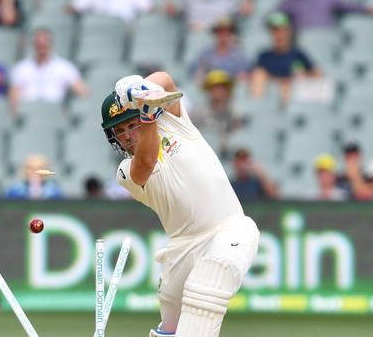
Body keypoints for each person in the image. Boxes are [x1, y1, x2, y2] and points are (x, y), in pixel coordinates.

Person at [101, 72, 259, 336]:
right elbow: (146, 163)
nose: (128, 135)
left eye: (132, 124)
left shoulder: (174, 121)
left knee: (207, 287)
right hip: (181, 248)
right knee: (170, 331)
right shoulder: (125, 171)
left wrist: (143, 87)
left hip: (230, 229)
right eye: (120, 130)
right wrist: (147, 115)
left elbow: (166, 80)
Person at [9, 28, 87, 110]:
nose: (42, 48)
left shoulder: (64, 67)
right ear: (34, 45)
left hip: (54, 110)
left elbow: (81, 90)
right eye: (39, 45)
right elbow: (14, 95)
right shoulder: (21, 68)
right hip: (28, 110)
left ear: (50, 44)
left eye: (44, 45)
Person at [250, 12, 320, 103]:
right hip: (271, 95)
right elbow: (255, 77)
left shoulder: (298, 54)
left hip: (295, 96)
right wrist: (280, 81)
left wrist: (299, 77)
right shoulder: (264, 56)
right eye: (275, 30)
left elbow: (317, 74)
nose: (279, 34)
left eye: (282, 30)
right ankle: (258, 107)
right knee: (258, 74)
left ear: (288, 31)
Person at [191, 70, 245, 156]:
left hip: (231, 154)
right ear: (209, 90)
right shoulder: (199, 111)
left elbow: (239, 135)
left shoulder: (236, 111)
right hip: (205, 153)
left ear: (228, 90)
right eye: (214, 88)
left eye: (221, 87)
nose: (218, 91)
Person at [190, 17, 250, 84]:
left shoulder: (239, 55)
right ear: (216, 34)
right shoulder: (206, 54)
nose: (223, 36)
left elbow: (242, 76)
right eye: (220, 32)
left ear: (231, 34)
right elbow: (198, 73)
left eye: (227, 32)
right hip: (210, 88)